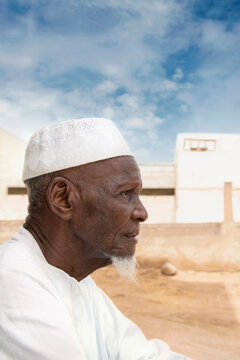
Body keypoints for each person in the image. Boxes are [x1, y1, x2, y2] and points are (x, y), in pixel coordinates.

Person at [0, 118, 191, 359]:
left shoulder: (78, 282)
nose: (142, 213)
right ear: (63, 198)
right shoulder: (12, 279)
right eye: (125, 194)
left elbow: (141, 354)